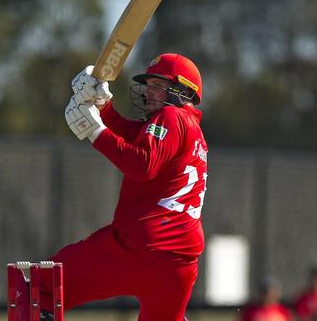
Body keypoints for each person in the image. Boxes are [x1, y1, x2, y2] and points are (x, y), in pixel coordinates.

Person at [13, 53, 208, 321]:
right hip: (180, 265)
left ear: (183, 90)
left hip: (140, 248)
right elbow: (133, 137)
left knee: (41, 286)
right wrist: (103, 105)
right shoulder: (192, 131)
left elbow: (142, 164)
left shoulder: (171, 116)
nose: (149, 92)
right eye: (149, 84)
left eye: (158, 85)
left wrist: (95, 132)